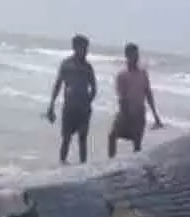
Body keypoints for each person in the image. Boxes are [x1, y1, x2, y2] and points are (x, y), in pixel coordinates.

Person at [46, 34, 97, 165]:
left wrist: (88, 102)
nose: (86, 51)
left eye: (87, 48)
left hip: (83, 110)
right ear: (75, 47)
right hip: (69, 108)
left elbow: (94, 87)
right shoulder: (66, 64)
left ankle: (83, 167)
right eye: (83, 48)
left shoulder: (88, 67)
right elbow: (58, 85)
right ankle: (62, 163)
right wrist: (51, 105)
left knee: (82, 139)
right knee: (66, 139)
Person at [108, 42, 164, 159]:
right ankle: (111, 162)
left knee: (137, 144)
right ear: (127, 56)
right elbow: (122, 98)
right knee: (112, 136)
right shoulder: (122, 75)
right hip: (126, 113)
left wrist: (155, 116)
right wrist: (126, 116)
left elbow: (148, 93)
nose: (136, 57)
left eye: (137, 54)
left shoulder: (143, 73)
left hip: (139, 113)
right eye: (133, 54)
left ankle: (136, 169)